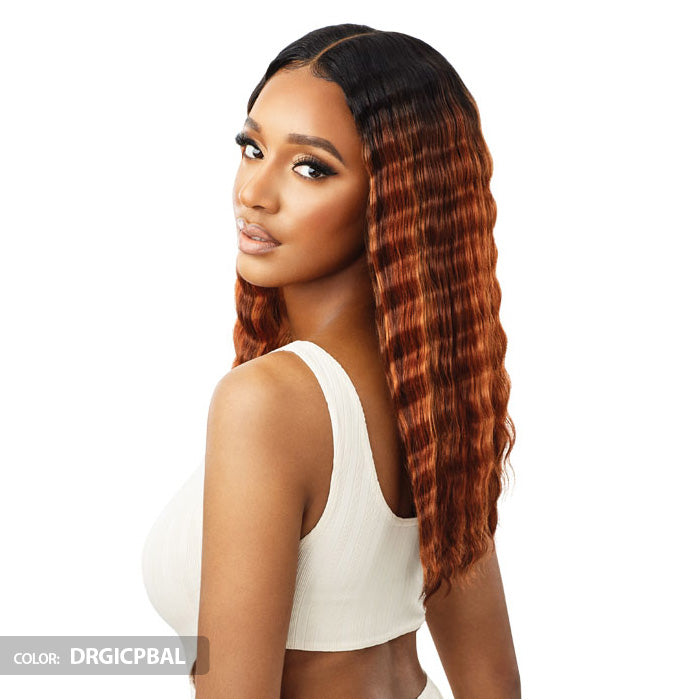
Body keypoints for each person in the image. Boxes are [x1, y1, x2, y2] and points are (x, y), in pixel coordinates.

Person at [142, 23, 520, 699]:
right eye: (253, 148)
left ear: (395, 196)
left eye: (310, 167)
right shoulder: (439, 393)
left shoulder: (268, 401)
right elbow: (493, 685)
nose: (254, 193)